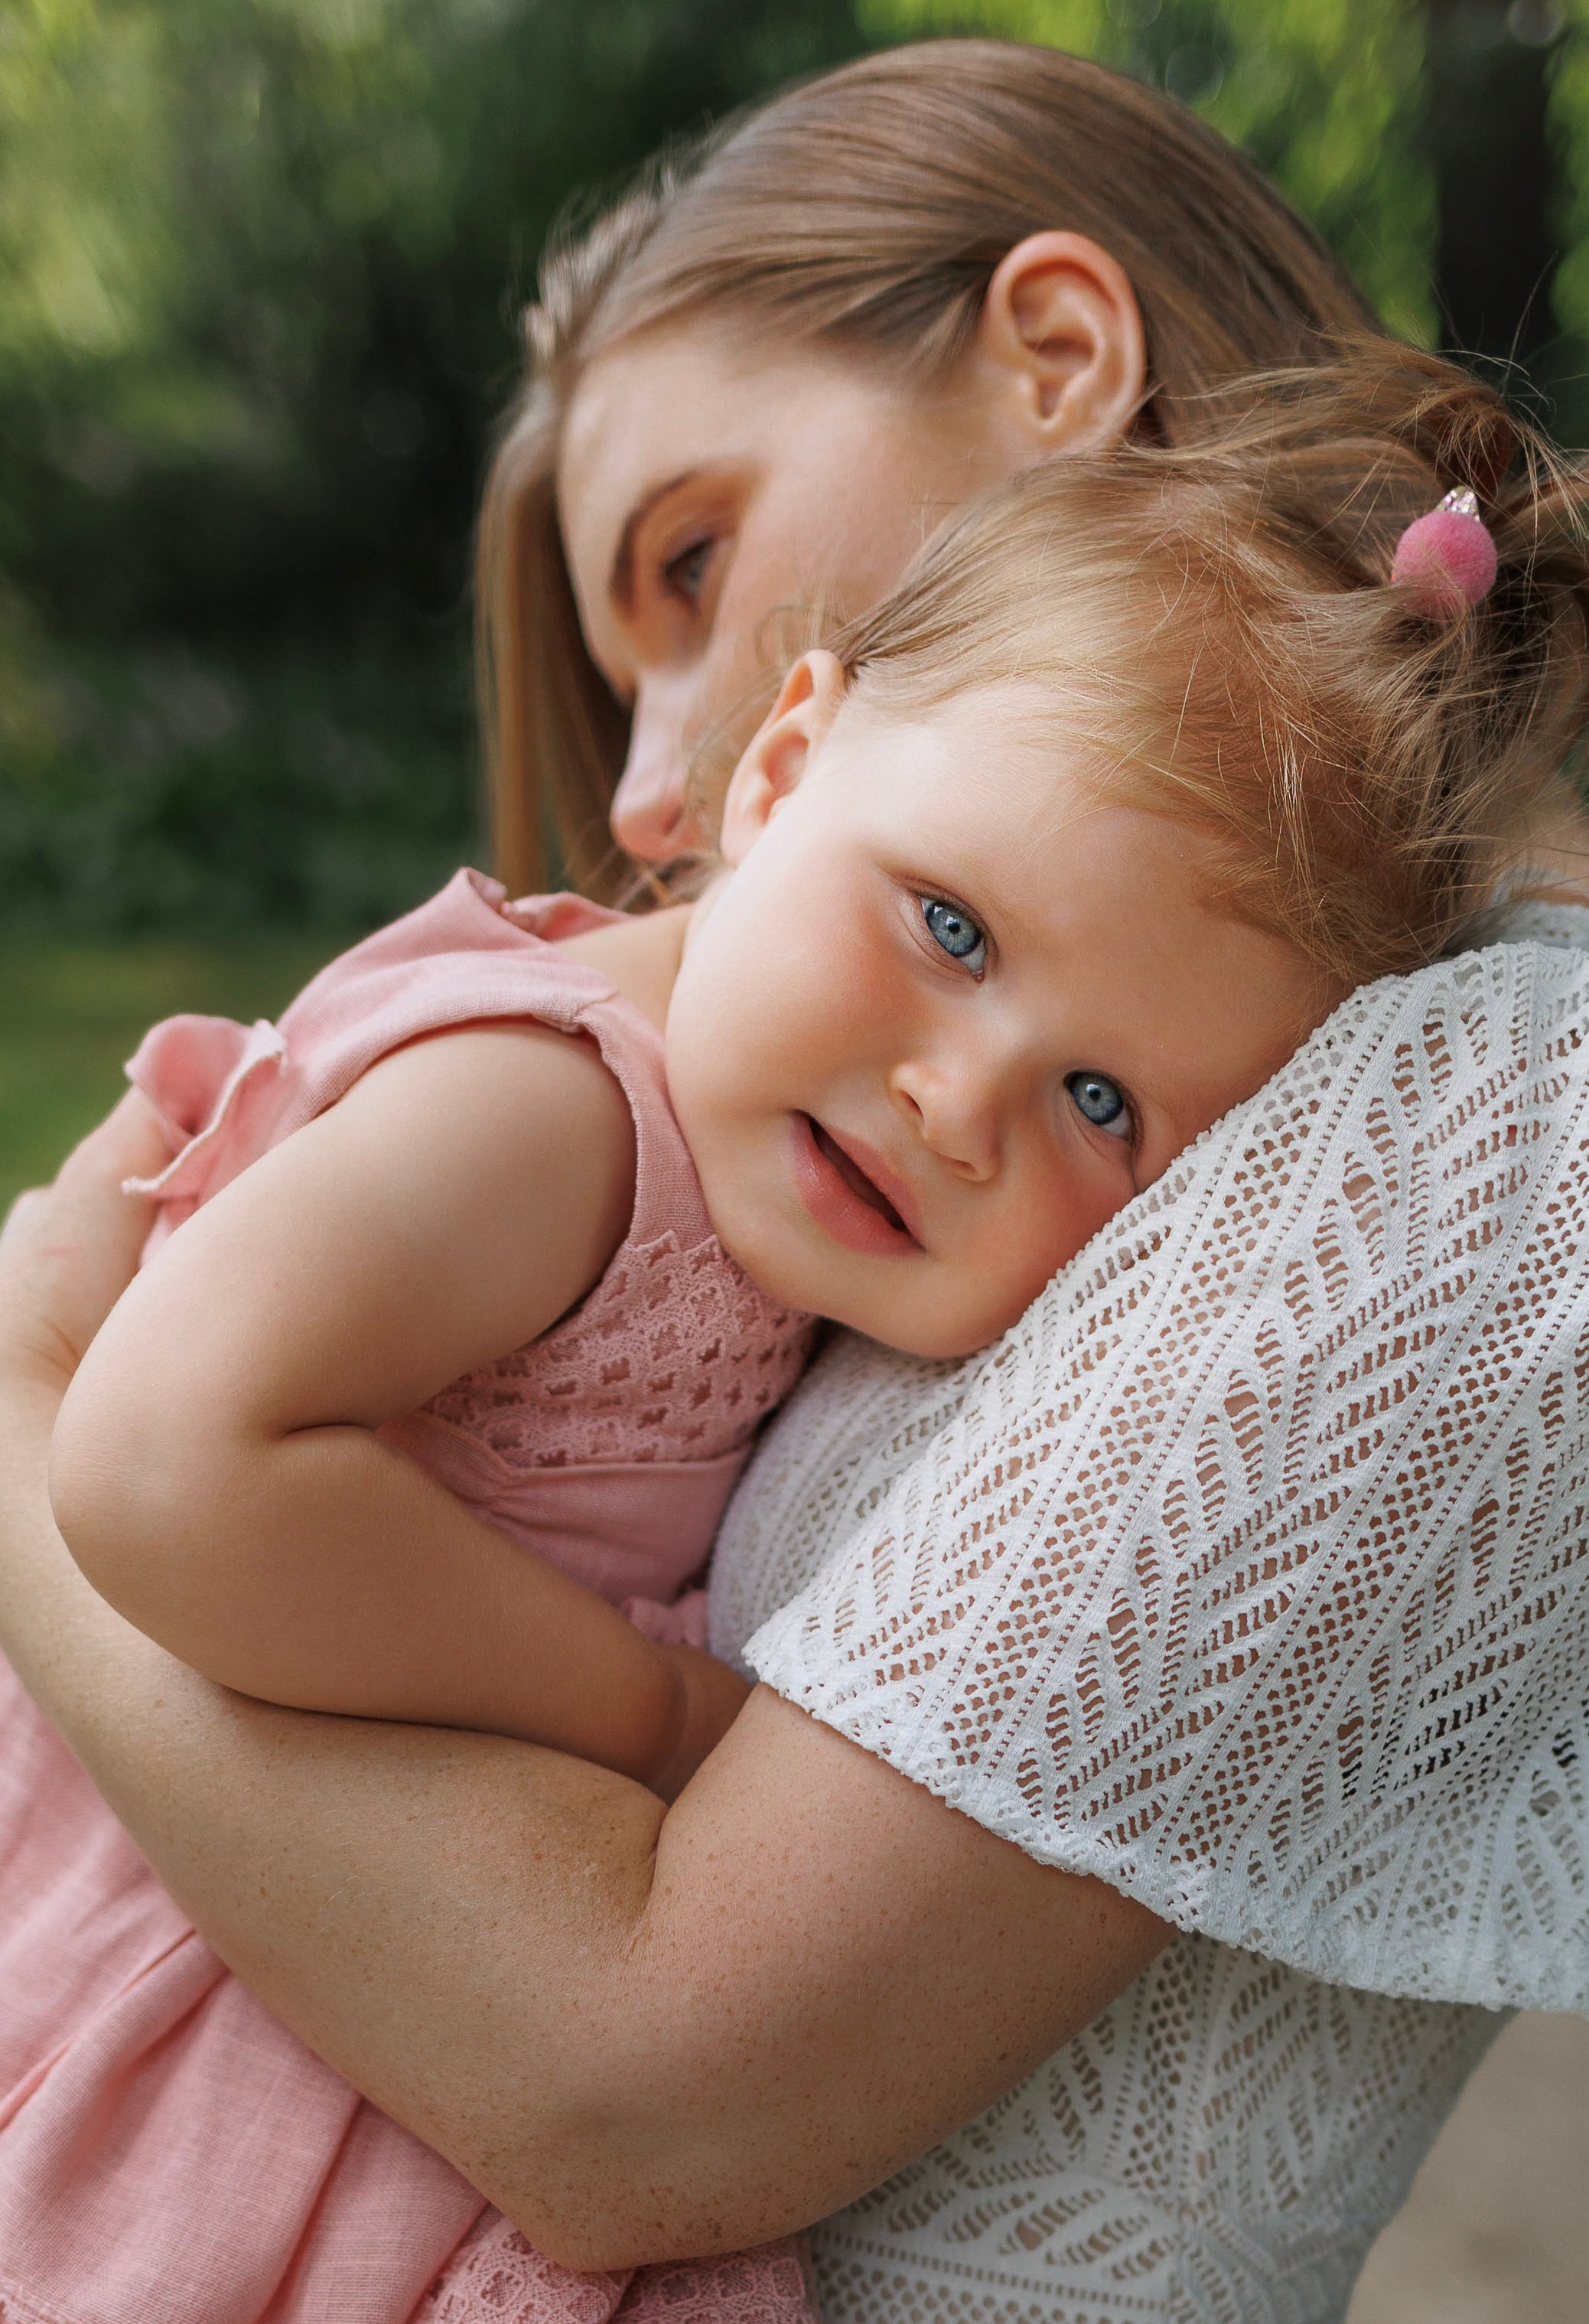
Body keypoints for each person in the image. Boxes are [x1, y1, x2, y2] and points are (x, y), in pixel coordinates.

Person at [2, 39, 1586, 2324]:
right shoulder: (700, 1113)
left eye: (690, 555)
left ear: (1058, 352)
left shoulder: (1477, 1120)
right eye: (946, 926)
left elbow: (632, 2088)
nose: (644, 802)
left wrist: (34, 1408)